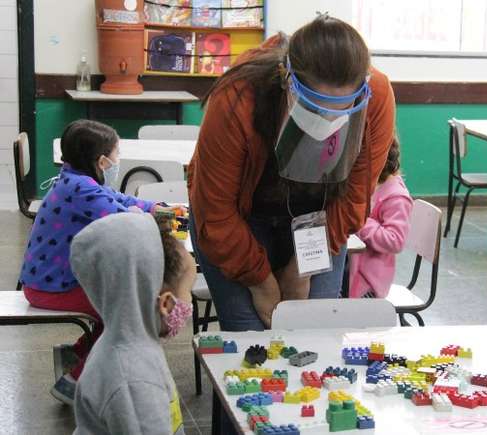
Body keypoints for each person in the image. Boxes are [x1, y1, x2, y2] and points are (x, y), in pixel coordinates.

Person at [188, 14, 395, 331]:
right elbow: (216, 212)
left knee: (316, 332)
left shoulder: (376, 94)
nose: (327, 123)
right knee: (253, 339)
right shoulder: (238, 95)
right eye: (314, 108)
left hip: (319, 218)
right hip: (240, 221)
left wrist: (302, 270)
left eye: (341, 111)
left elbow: (354, 199)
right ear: (288, 81)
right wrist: (261, 282)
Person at [18, 119, 178, 404]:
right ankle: (74, 380)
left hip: (47, 281)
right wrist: (155, 218)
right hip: (52, 288)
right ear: (102, 161)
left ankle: (80, 353)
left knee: (119, 307)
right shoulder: (81, 190)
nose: (118, 161)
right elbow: (123, 218)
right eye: (117, 155)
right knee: (128, 311)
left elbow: (115, 198)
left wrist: (153, 206)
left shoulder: (74, 179)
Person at [71, 213, 195, 435]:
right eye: (186, 291)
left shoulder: (128, 347)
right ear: (165, 303)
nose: (188, 302)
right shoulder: (134, 380)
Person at [348, 135, 412, 298]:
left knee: (327, 305)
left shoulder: (396, 196)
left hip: (367, 286)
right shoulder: (367, 184)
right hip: (352, 274)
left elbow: (395, 241)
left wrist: (360, 220)